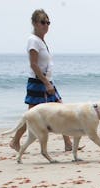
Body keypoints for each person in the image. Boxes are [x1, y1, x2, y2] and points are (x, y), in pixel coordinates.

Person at [10, 9, 72, 152]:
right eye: (43, 22)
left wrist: (48, 82)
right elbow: (33, 64)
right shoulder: (33, 41)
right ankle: (15, 141)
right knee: (31, 116)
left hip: (47, 81)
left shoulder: (41, 41)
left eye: (48, 22)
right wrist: (46, 82)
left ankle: (68, 143)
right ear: (35, 23)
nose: (46, 25)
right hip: (38, 83)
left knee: (61, 110)